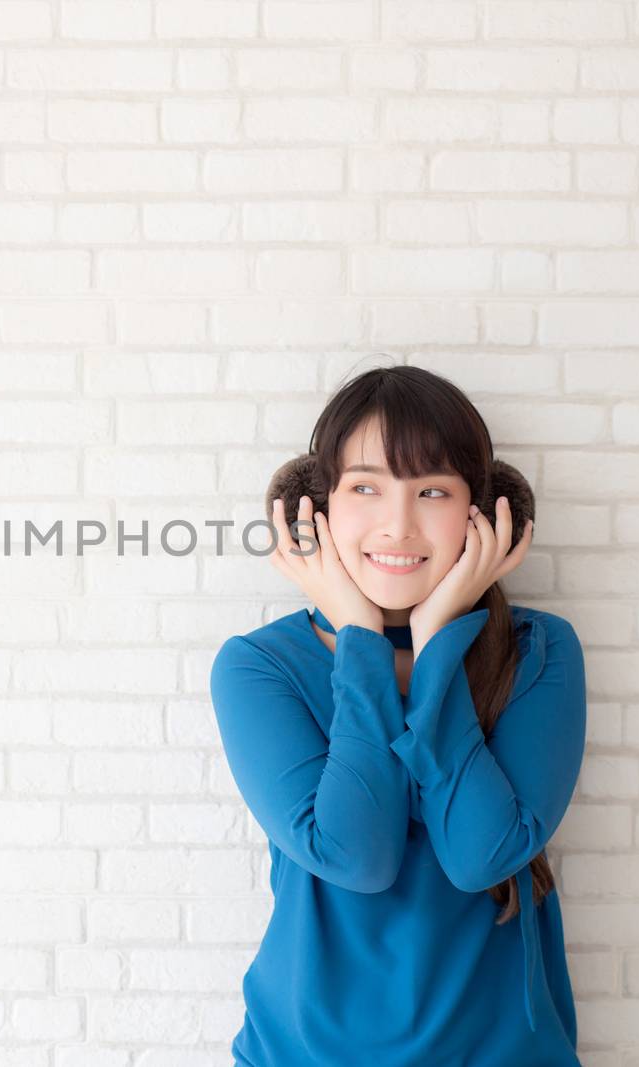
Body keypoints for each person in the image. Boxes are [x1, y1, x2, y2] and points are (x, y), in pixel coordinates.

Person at [209, 365, 587, 1066]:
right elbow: (359, 855)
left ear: (485, 508)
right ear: (314, 506)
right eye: (366, 487)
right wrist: (360, 640)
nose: (399, 523)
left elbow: (481, 857)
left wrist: (438, 639)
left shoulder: (538, 652)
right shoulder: (257, 668)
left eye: (433, 490)